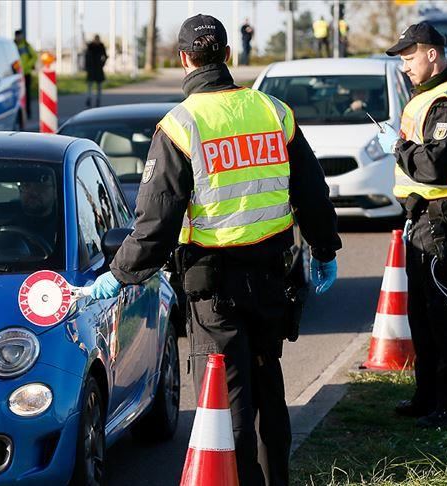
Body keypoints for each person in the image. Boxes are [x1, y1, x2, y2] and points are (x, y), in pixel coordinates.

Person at [88, 14, 341, 486]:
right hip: (273, 277)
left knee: (230, 398)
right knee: (269, 386)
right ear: (228, 55)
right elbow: (312, 191)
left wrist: (119, 275)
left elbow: (155, 224)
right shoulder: (274, 112)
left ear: (184, 59)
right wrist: (324, 250)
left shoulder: (181, 126)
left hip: (214, 287)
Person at [380, 22, 447, 428]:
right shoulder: (431, 98)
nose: (405, 67)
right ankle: (429, 397)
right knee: (422, 315)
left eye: (409, 58)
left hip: (442, 221)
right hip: (424, 220)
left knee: (445, 316)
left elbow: (437, 167)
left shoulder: (446, 102)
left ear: (432, 54)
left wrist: (399, 147)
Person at [14, 29, 37, 119]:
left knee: (26, 95)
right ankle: (19, 115)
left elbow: (34, 56)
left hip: (26, 73)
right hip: (17, 74)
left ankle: (28, 113)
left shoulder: (26, 45)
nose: (19, 37)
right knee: (17, 95)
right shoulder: (13, 45)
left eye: (20, 36)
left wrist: (28, 65)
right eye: (17, 36)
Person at [85, 35, 107, 108]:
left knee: (98, 86)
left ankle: (97, 100)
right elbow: (87, 56)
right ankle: (89, 98)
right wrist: (87, 66)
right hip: (92, 68)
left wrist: (102, 63)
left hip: (97, 68)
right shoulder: (90, 46)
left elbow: (105, 56)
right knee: (90, 85)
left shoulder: (101, 46)